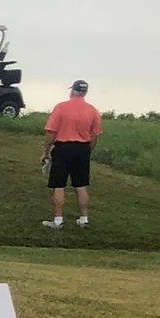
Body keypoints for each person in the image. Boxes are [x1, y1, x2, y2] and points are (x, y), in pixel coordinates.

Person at [41, 80, 102, 230]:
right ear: (85, 92)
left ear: (72, 91)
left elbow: (51, 132)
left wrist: (46, 152)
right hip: (82, 149)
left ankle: (58, 220)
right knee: (81, 185)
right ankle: (84, 218)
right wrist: (88, 151)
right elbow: (94, 137)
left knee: (59, 185)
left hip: (63, 148)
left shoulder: (61, 108)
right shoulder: (92, 110)